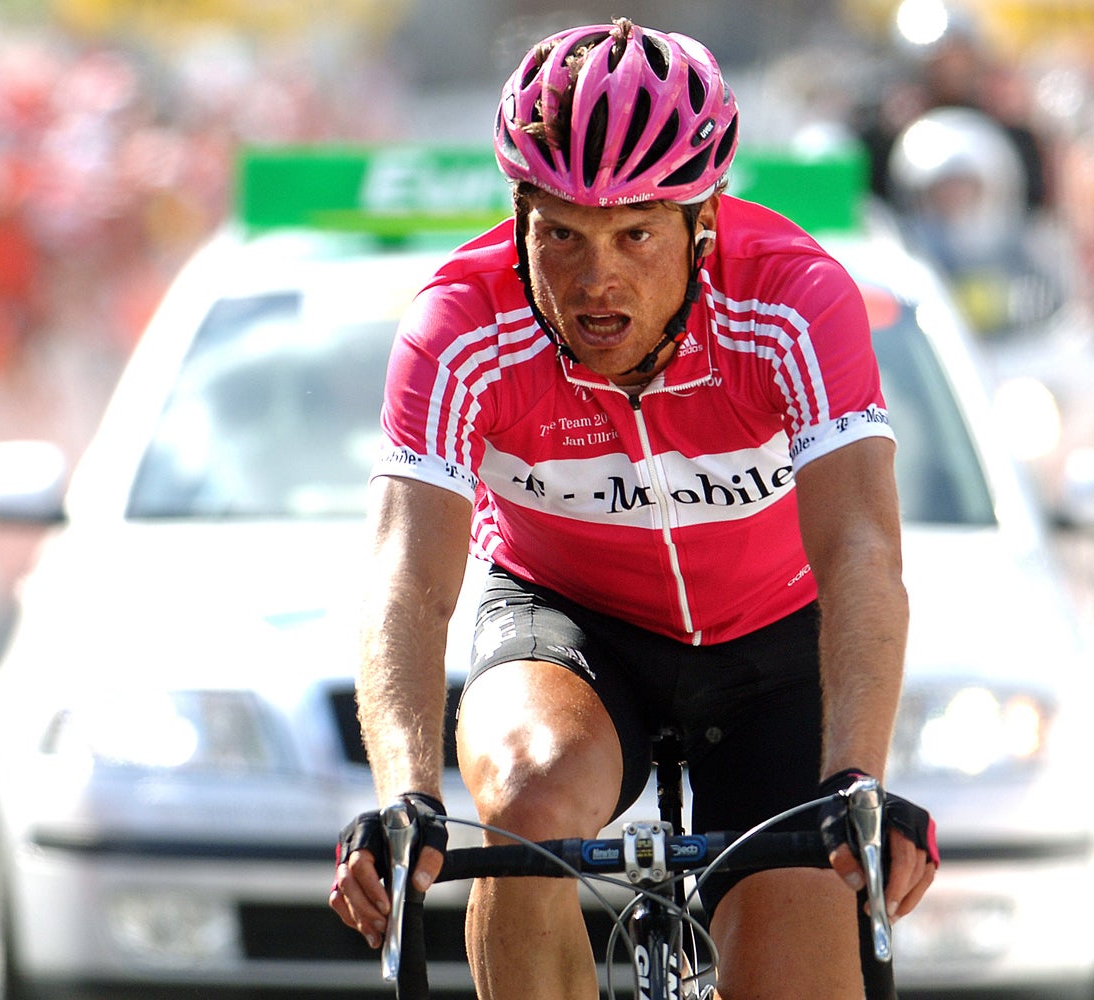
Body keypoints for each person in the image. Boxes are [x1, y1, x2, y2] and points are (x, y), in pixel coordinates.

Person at [329, 18, 937, 999]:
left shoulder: (794, 298)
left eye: (636, 234)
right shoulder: (458, 321)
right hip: (567, 623)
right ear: (519, 212)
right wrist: (405, 795)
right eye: (560, 233)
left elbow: (861, 543)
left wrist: (854, 782)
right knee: (525, 803)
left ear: (703, 225)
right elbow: (406, 571)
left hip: (775, 636)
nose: (594, 277)